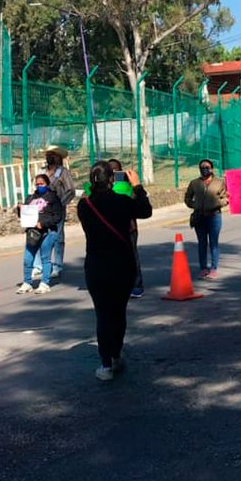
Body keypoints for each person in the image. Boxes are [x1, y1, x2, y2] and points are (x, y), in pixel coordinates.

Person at [78, 161, 152, 381]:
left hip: (96, 266)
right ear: (112, 179)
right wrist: (137, 186)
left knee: (102, 314)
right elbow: (145, 211)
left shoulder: (84, 206)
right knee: (118, 313)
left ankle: (105, 363)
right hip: (122, 264)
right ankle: (117, 354)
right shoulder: (122, 202)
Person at [16, 173, 65, 294]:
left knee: (45, 258)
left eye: (41, 184)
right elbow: (23, 215)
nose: (39, 186)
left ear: (47, 184)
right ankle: (27, 282)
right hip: (32, 232)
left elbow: (58, 216)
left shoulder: (53, 198)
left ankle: (44, 283)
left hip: (48, 232)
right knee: (28, 258)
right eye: (37, 184)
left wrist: (43, 223)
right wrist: (20, 209)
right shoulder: (30, 198)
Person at [106, 158, 146, 298]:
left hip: (129, 228)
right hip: (110, 229)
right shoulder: (104, 188)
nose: (114, 174)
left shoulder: (130, 188)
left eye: (117, 171)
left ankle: (136, 285)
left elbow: (142, 208)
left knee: (132, 256)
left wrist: (134, 185)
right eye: (111, 172)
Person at [184, 158, 228, 279]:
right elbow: (187, 198)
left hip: (214, 216)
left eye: (207, 167)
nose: (204, 169)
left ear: (212, 169)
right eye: (202, 167)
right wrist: (195, 205)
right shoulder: (194, 183)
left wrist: (220, 203)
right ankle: (203, 268)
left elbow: (225, 198)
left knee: (213, 243)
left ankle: (213, 268)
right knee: (202, 243)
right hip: (200, 217)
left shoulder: (220, 182)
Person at [44, 146, 77, 282]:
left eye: (53, 154)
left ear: (59, 157)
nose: (50, 157)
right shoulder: (43, 172)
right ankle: (44, 265)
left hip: (57, 209)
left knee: (58, 237)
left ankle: (57, 266)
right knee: (44, 237)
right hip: (44, 209)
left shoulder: (63, 172)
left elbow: (70, 190)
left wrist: (60, 203)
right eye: (48, 154)